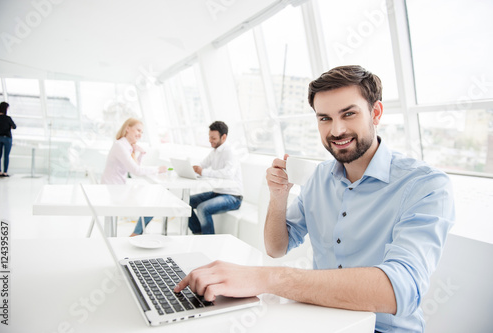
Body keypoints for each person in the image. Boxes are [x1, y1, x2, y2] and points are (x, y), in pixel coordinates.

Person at [174, 66, 455, 332]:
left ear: (376, 112)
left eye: (348, 114)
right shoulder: (320, 176)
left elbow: (400, 289)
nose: (336, 131)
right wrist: (278, 197)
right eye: (325, 118)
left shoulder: (426, 185)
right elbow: (276, 247)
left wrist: (266, 278)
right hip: (320, 319)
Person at [100, 118, 166, 236]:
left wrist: (140, 153)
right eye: (138, 130)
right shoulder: (120, 145)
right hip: (113, 191)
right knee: (153, 203)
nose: (140, 134)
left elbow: (136, 168)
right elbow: (136, 170)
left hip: (117, 188)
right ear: (127, 129)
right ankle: (136, 233)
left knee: (150, 200)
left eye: (142, 132)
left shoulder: (126, 146)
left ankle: (136, 233)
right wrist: (157, 169)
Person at [188, 121, 244, 234]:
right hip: (217, 193)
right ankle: (198, 232)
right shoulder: (214, 152)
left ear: (223, 137)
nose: (210, 140)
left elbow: (228, 173)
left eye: (213, 138)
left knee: (202, 208)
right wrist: (193, 169)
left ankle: (209, 241)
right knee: (186, 202)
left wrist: (203, 172)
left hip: (233, 197)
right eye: (209, 137)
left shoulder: (230, 152)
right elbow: (202, 166)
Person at [0, 102, 16, 177]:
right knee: (6, 156)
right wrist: (9, 126)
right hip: (7, 137)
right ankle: (5, 172)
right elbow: (14, 126)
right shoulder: (8, 118)